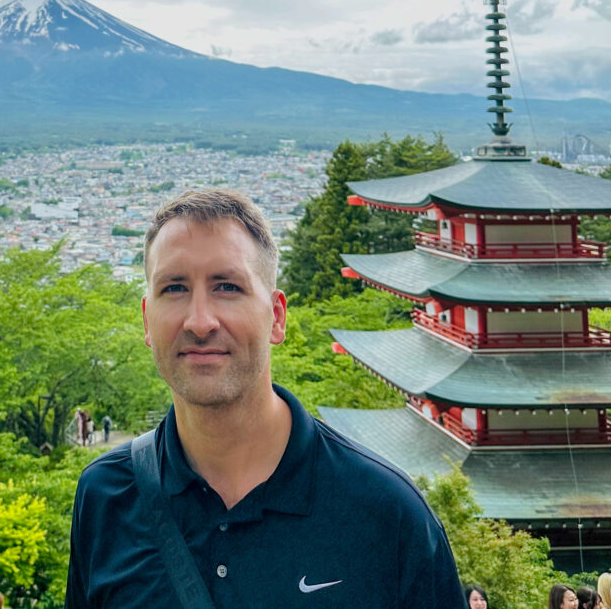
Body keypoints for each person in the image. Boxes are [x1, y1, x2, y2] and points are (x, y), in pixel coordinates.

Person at [65, 189, 467, 609]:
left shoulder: (385, 512)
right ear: (147, 319)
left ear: (276, 316)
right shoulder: (106, 497)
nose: (200, 321)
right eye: (175, 287)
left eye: (227, 286)